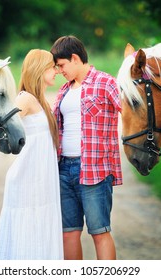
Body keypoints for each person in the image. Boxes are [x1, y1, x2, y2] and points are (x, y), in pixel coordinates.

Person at [0, 49, 63, 259]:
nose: (56, 71)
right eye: (52, 67)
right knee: (29, 230)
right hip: (28, 180)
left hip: (42, 181)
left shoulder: (40, 100)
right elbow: (0, 125)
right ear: (40, 69)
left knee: (39, 229)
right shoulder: (26, 99)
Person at [51, 35, 123, 260]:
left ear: (74, 58)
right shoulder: (64, 90)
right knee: (68, 234)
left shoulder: (106, 82)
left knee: (99, 232)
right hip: (64, 170)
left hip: (95, 169)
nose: (60, 70)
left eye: (62, 65)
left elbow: (130, 112)